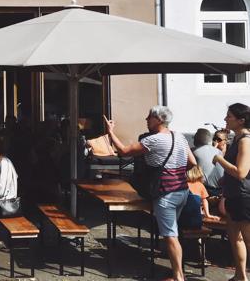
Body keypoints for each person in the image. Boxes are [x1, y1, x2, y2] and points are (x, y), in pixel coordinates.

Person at [105, 106, 196, 281]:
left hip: (165, 194)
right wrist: (176, 173)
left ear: (159, 120)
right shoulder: (180, 137)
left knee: (171, 236)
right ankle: (176, 272)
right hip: (182, 191)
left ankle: (178, 277)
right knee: (173, 232)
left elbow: (124, 152)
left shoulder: (154, 140)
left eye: (149, 117)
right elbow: (192, 162)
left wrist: (111, 132)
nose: (146, 119)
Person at [212, 103, 250, 281]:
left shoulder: (245, 141)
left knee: (247, 239)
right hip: (233, 194)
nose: (225, 119)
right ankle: (240, 276)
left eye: (229, 116)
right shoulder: (236, 139)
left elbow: (241, 172)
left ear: (241, 120)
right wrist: (225, 178)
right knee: (235, 238)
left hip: (244, 196)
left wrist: (219, 159)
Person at [192, 128, 225, 196]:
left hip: (206, 190)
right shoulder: (219, 152)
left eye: (194, 137)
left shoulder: (193, 151)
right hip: (221, 190)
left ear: (197, 139)